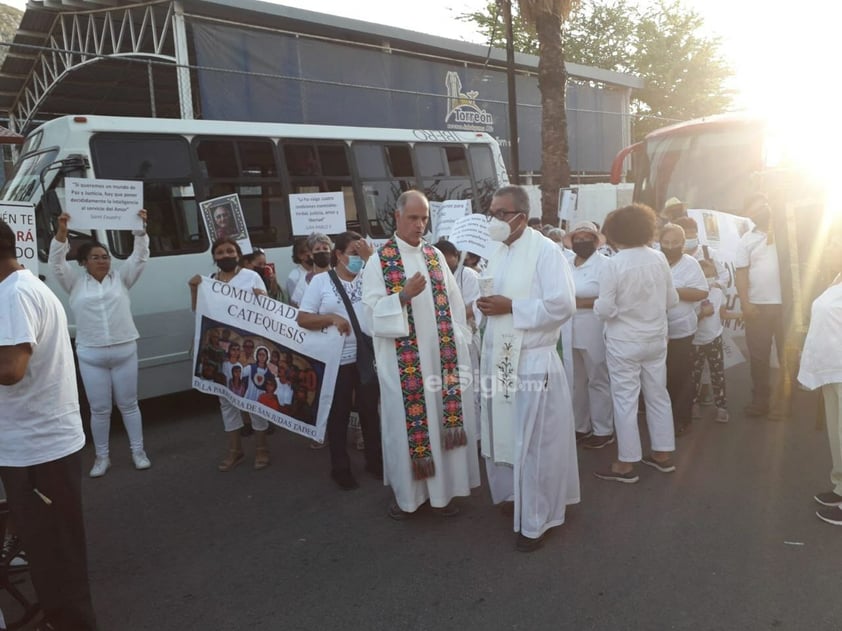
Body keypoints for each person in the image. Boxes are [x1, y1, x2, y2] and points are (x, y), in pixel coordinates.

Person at [0, 218, 98, 629]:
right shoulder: (21, 288)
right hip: (36, 444)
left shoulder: (14, 295)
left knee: (56, 558)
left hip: (38, 449)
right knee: (50, 552)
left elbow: (11, 369)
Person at [361, 190, 480, 518]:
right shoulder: (380, 261)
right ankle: (410, 500)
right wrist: (402, 296)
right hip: (405, 368)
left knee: (443, 425)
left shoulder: (434, 256)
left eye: (424, 217)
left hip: (442, 362)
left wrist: (459, 341)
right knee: (408, 428)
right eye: (413, 217)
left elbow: (455, 303)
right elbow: (368, 315)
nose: (419, 224)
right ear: (397, 217)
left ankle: (443, 495)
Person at [477, 185, 580, 552]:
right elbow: (493, 297)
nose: (495, 220)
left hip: (533, 361)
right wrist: (485, 304)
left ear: (522, 215)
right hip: (501, 359)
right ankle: (513, 495)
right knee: (504, 434)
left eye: (501, 213)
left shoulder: (546, 251)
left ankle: (537, 520)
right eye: (492, 212)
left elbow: (562, 305)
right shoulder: (498, 250)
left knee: (535, 443)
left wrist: (511, 307)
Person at [49, 210, 151, 477]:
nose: (102, 261)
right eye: (95, 257)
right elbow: (57, 263)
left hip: (124, 350)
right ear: (83, 262)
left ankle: (138, 452)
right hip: (90, 353)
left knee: (129, 405)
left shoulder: (122, 279)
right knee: (99, 409)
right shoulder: (74, 283)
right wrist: (61, 232)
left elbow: (139, 257)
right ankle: (102, 457)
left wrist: (140, 230)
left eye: (105, 256)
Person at [594, 204, 679, 482]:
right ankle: (662, 454)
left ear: (615, 233)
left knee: (625, 400)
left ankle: (626, 462)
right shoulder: (659, 259)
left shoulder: (613, 265)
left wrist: (600, 308)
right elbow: (672, 301)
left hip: (623, 341)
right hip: (655, 338)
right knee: (658, 395)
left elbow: (605, 309)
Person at [298, 231, 383, 489]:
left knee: (370, 412)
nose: (358, 259)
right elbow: (303, 318)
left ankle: (374, 461)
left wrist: (372, 261)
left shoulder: (370, 277)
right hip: (338, 361)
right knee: (339, 413)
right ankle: (341, 467)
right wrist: (332, 319)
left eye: (361, 254)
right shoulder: (321, 282)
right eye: (353, 254)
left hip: (367, 358)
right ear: (338, 255)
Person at [189, 237, 272, 471]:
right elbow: (198, 311)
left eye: (230, 251)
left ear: (238, 254)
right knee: (226, 400)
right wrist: (193, 288)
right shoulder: (210, 282)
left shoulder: (251, 277)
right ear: (214, 257)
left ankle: (262, 448)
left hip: (249, 347)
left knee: (252, 398)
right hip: (222, 351)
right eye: (221, 252)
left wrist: (261, 299)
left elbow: (266, 310)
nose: (226, 255)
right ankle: (235, 450)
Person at [797, 233, 842, 525]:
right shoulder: (837, 277)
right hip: (833, 371)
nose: (827, 248)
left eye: (832, 244)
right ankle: (840, 486)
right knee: (837, 434)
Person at [563, 221, 614, 448]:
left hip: (593, 328)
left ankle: (603, 429)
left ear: (595, 241)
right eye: (578, 238)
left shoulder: (605, 265)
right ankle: (579, 426)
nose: (582, 242)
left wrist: (577, 303)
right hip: (567, 329)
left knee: (598, 378)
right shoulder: (565, 263)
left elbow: (609, 297)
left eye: (587, 238)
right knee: (575, 380)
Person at [735, 194, 784, 417]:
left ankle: (784, 402)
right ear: (750, 216)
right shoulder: (747, 239)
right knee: (759, 357)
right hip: (757, 308)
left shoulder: (788, 234)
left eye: (763, 207)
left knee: (788, 356)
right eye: (754, 212)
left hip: (786, 306)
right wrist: (745, 304)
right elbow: (741, 273)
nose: (760, 213)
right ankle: (761, 400)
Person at [660, 223, 709, 436]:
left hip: (681, 330)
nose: (670, 246)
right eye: (666, 242)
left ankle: (682, 418)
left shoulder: (690, 264)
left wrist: (673, 291)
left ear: (683, 243)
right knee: (659, 376)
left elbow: (701, 292)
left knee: (679, 374)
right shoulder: (655, 260)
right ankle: (661, 417)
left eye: (676, 243)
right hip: (656, 330)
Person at [691, 259, 731, 423]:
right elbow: (685, 321)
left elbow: (723, 314)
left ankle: (721, 407)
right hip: (695, 341)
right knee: (694, 375)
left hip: (714, 338)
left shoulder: (718, 293)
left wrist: (744, 316)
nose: (709, 279)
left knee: (718, 373)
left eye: (711, 275)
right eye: (704, 275)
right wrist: (702, 314)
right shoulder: (692, 295)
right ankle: (693, 404)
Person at [673, 216, 729, 285]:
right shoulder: (672, 255)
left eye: (692, 232)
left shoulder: (708, 252)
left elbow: (724, 274)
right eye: (685, 233)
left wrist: (717, 285)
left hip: (710, 294)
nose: (689, 236)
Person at [291, 233, 332, 308]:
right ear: (311, 254)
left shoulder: (339, 275)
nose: (322, 252)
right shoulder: (305, 280)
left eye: (325, 248)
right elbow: (295, 305)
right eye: (317, 249)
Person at [286, 237, 313, 306]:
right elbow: (296, 304)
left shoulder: (321, 271)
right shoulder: (294, 277)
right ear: (300, 256)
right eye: (310, 251)